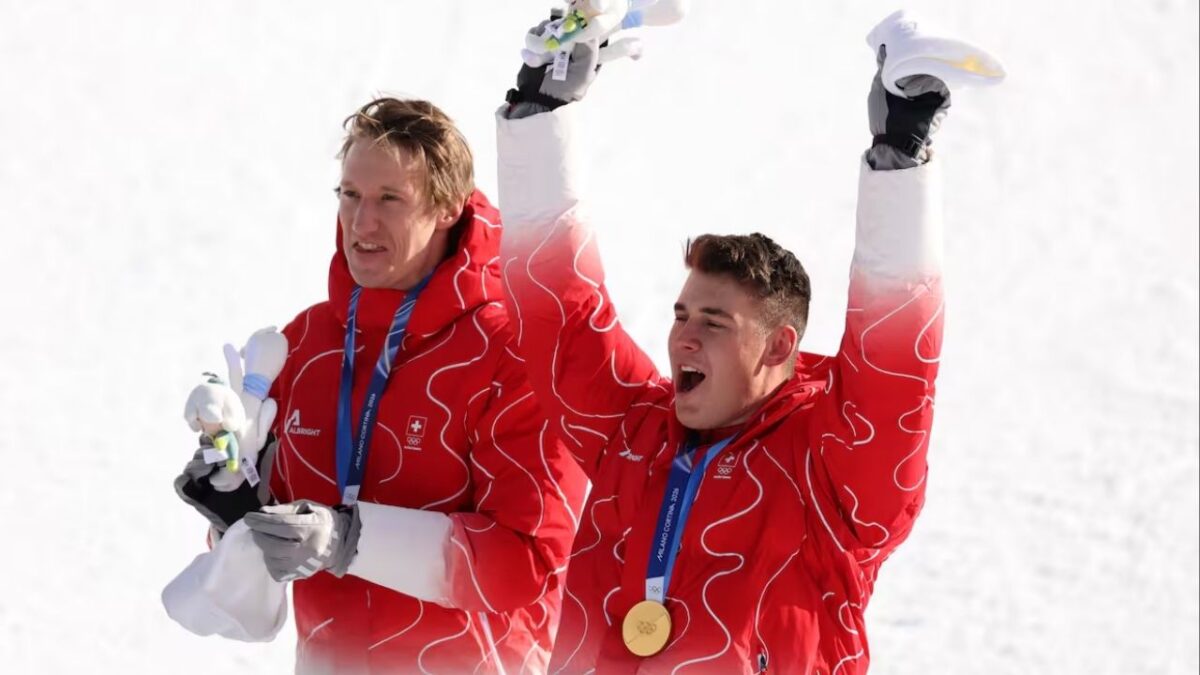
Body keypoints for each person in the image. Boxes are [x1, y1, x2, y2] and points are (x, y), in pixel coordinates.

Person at [495, 11, 999, 673]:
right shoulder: (630, 432)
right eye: (682, 313)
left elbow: (894, 370)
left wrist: (898, 155)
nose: (684, 337)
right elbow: (557, 306)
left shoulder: (830, 476)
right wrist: (539, 112)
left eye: (714, 321)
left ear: (778, 346)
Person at [171, 97, 587, 673]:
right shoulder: (308, 341)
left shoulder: (510, 353)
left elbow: (530, 560)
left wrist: (350, 538)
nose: (362, 223)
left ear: (446, 208)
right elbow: (275, 541)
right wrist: (236, 514)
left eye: (390, 200)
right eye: (350, 196)